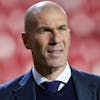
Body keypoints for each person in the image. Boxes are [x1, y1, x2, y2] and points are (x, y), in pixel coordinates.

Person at [0, 1, 100, 100]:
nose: (56, 39)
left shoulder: (97, 88)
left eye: (61, 29)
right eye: (45, 30)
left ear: (69, 36)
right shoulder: (3, 95)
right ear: (26, 41)